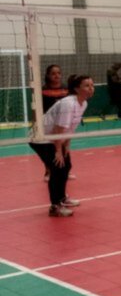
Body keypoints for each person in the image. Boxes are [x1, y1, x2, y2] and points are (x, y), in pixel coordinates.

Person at [29, 74, 94, 217]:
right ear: (77, 89)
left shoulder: (83, 103)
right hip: (41, 139)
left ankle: (62, 198)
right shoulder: (68, 104)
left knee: (67, 166)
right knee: (58, 169)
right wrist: (58, 150)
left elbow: (71, 127)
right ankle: (55, 206)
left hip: (55, 138)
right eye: (87, 86)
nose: (91, 88)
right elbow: (57, 129)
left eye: (92, 85)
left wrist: (67, 146)